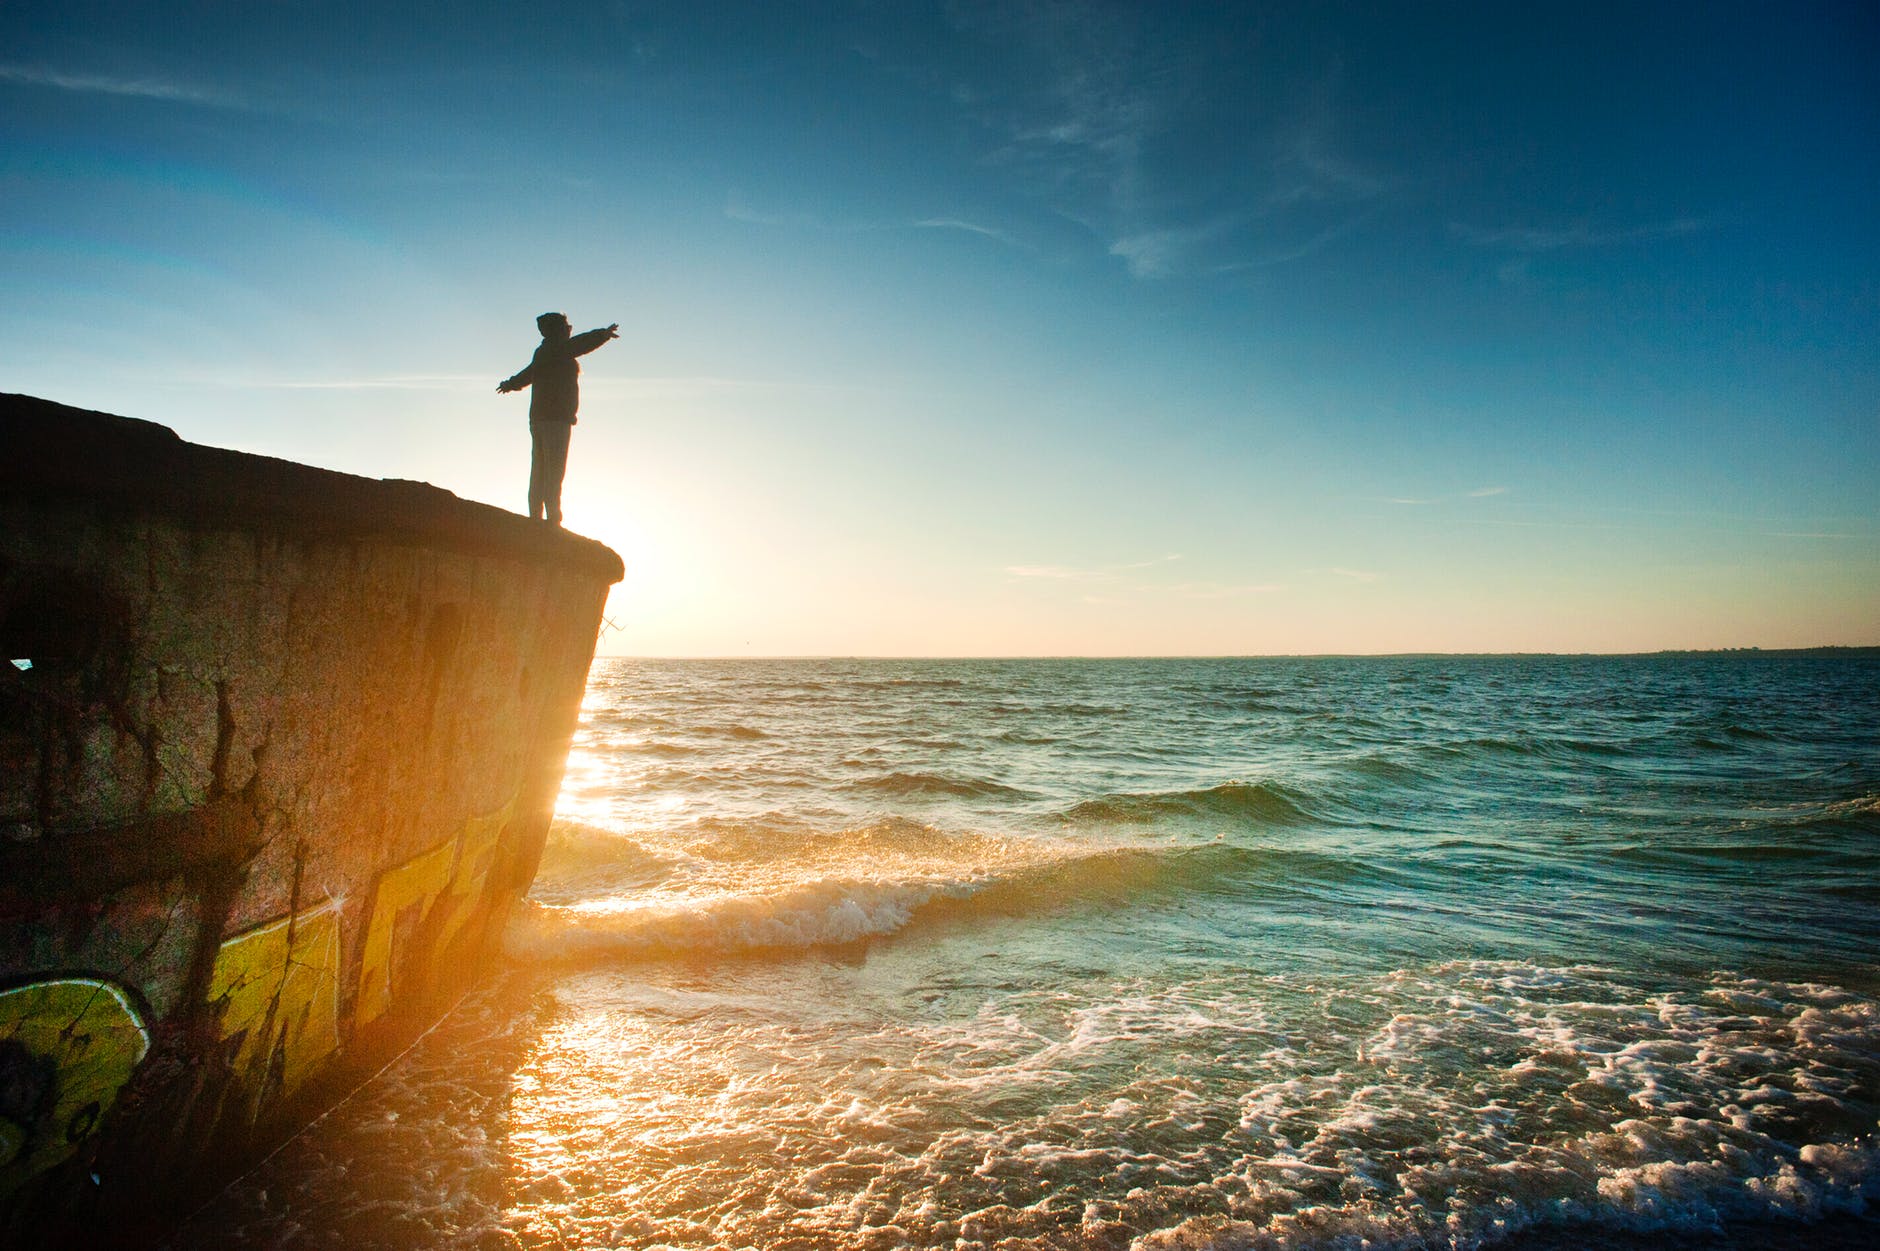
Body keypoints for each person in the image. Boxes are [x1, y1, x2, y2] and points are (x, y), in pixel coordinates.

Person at [496, 312, 619, 525]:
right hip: (555, 420)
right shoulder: (558, 349)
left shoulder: (543, 352)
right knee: (553, 469)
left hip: (540, 419)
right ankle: (552, 518)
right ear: (558, 330)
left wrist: (510, 384)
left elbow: (527, 374)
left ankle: (536, 515)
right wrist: (603, 334)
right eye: (566, 326)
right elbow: (580, 344)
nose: (569, 329)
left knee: (540, 468)